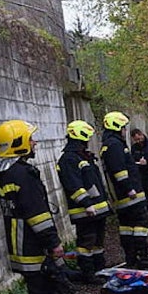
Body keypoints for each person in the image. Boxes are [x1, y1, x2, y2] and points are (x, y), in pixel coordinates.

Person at [0, 120, 71, 294]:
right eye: (30, 139)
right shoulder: (24, 175)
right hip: (32, 245)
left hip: (19, 244)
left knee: (40, 289)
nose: (34, 142)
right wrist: (53, 243)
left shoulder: (5, 173)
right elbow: (37, 215)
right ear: (19, 143)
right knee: (43, 292)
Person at [100, 111, 148, 268]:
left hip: (122, 195)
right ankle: (141, 256)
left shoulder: (109, 144)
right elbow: (119, 171)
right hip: (129, 194)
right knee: (140, 223)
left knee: (127, 227)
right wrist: (129, 189)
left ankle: (132, 257)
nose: (124, 130)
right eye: (123, 127)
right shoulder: (115, 145)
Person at [56, 120, 112, 284]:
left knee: (98, 242)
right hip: (84, 210)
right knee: (86, 242)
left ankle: (99, 269)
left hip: (97, 209)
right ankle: (88, 274)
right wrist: (86, 203)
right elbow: (73, 185)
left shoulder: (83, 156)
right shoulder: (69, 159)